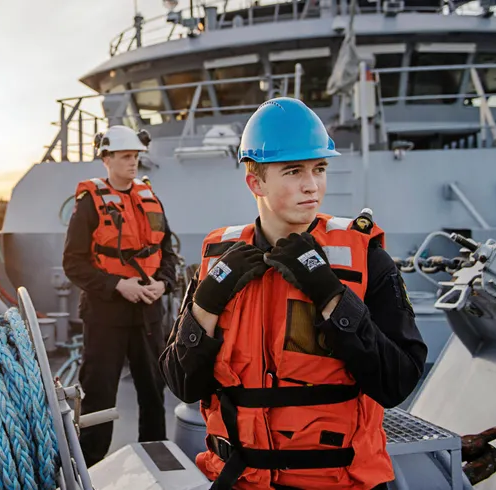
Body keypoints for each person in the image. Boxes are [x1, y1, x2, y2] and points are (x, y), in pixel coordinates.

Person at [159, 98, 428, 490]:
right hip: (240, 481)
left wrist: (331, 295)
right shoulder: (218, 262)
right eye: (293, 171)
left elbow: (397, 384)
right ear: (255, 182)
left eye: (319, 169)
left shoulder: (366, 258)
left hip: (338, 483)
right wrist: (205, 304)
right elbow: (184, 385)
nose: (312, 185)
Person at [62, 125, 178, 467]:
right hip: (105, 315)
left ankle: (155, 458)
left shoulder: (150, 199)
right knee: (99, 394)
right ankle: (92, 465)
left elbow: (167, 254)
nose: (133, 163)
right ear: (107, 159)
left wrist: (164, 285)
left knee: (154, 392)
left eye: (136, 156)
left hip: (148, 315)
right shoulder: (89, 205)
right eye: (126, 157)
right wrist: (117, 285)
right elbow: (73, 263)